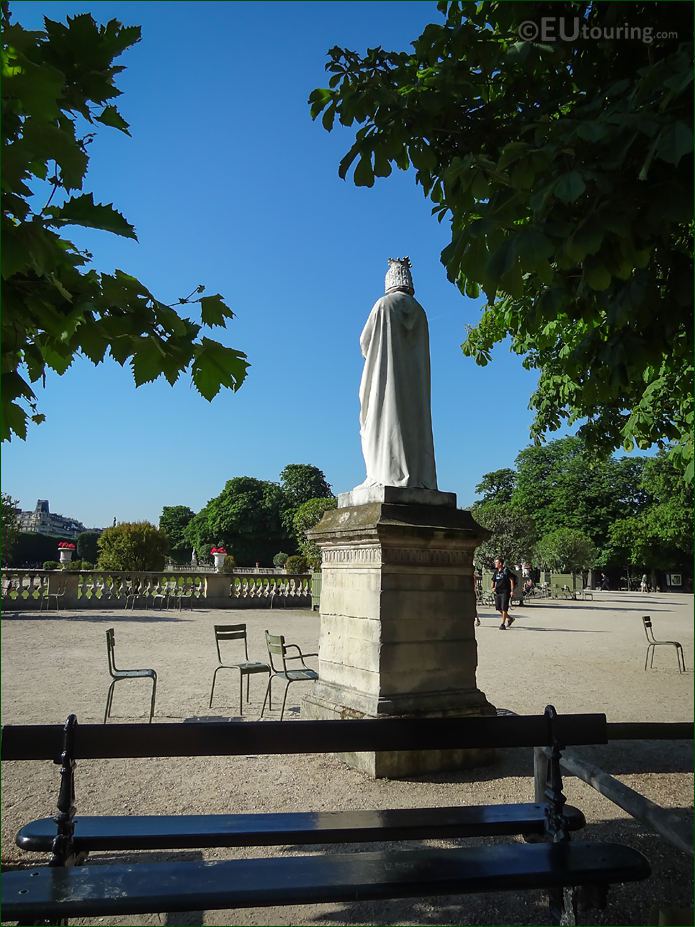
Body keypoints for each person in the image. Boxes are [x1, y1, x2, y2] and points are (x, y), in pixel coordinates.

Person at [356, 257, 437, 490]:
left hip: (386, 377)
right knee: (413, 422)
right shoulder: (420, 311)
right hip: (414, 381)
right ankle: (418, 475)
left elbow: (365, 343)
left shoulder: (384, 304)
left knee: (380, 421)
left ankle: (384, 473)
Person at [491, 557, 516, 629]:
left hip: (505, 591)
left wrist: (512, 591)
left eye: (496, 562)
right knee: (499, 608)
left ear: (500, 563)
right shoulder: (496, 572)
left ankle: (503, 624)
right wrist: (493, 587)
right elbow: (493, 580)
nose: (495, 564)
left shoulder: (506, 570)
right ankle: (510, 618)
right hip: (498, 592)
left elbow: (511, 580)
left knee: (504, 608)